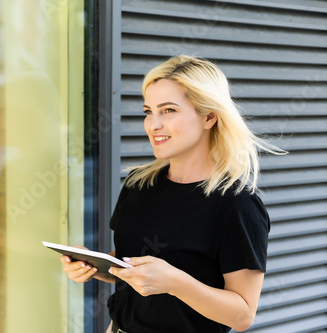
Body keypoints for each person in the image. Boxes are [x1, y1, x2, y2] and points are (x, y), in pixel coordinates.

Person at [60, 55, 285, 333]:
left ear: (209, 117)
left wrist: (175, 282)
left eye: (168, 110)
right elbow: (132, 265)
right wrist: (95, 264)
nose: (153, 125)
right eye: (148, 111)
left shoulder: (236, 205)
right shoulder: (138, 184)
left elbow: (242, 315)